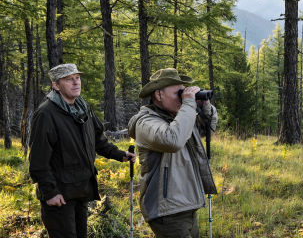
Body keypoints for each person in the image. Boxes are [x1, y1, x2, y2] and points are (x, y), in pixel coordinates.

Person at [29, 63, 136, 238]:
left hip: (81, 189)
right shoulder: (46, 114)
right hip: (59, 196)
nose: (76, 83)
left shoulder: (83, 108)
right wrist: (50, 192)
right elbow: (38, 161)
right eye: (68, 79)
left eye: (77, 78)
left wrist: (120, 155)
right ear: (56, 85)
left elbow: (98, 141)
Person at [128, 68, 218, 238]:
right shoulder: (146, 122)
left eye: (184, 91)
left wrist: (204, 105)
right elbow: (172, 140)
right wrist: (189, 104)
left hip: (187, 204)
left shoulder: (179, 118)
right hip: (167, 210)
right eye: (178, 93)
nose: (183, 96)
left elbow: (208, 127)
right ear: (158, 95)